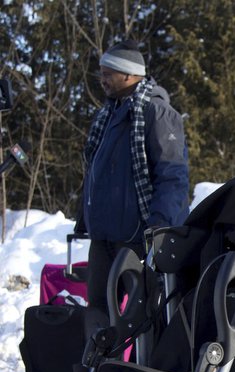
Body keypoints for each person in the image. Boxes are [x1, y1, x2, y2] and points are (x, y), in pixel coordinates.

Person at [74, 40, 189, 334]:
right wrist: (83, 216)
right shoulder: (109, 113)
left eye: (108, 73)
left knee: (143, 314)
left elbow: (172, 175)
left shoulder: (156, 113)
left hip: (139, 238)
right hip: (104, 238)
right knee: (98, 308)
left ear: (128, 74)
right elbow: (96, 173)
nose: (102, 80)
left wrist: (160, 226)